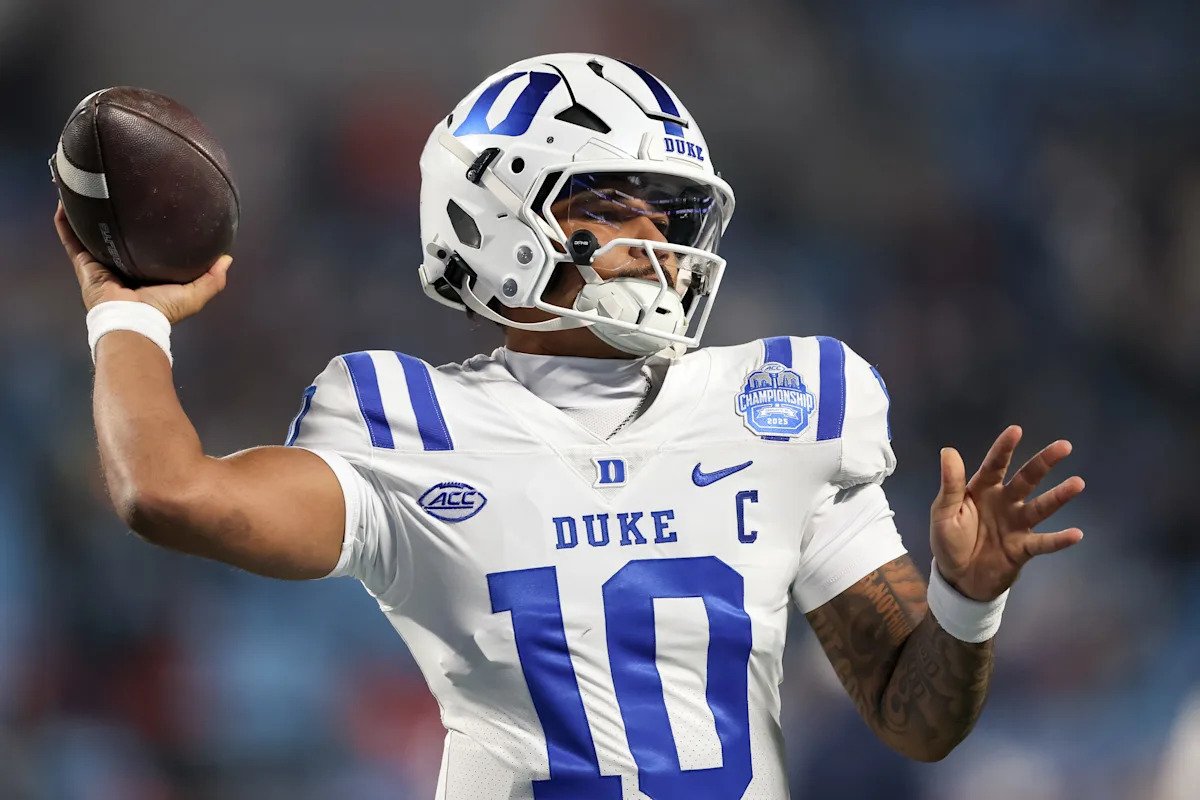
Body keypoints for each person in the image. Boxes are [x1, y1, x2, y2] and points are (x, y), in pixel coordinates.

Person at [56, 53, 1085, 799]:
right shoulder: (405, 423)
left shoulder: (786, 403)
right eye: (614, 202)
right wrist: (127, 313)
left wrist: (966, 600)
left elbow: (915, 716)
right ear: (494, 217)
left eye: (670, 211)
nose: (654, 237)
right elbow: (166, 492)